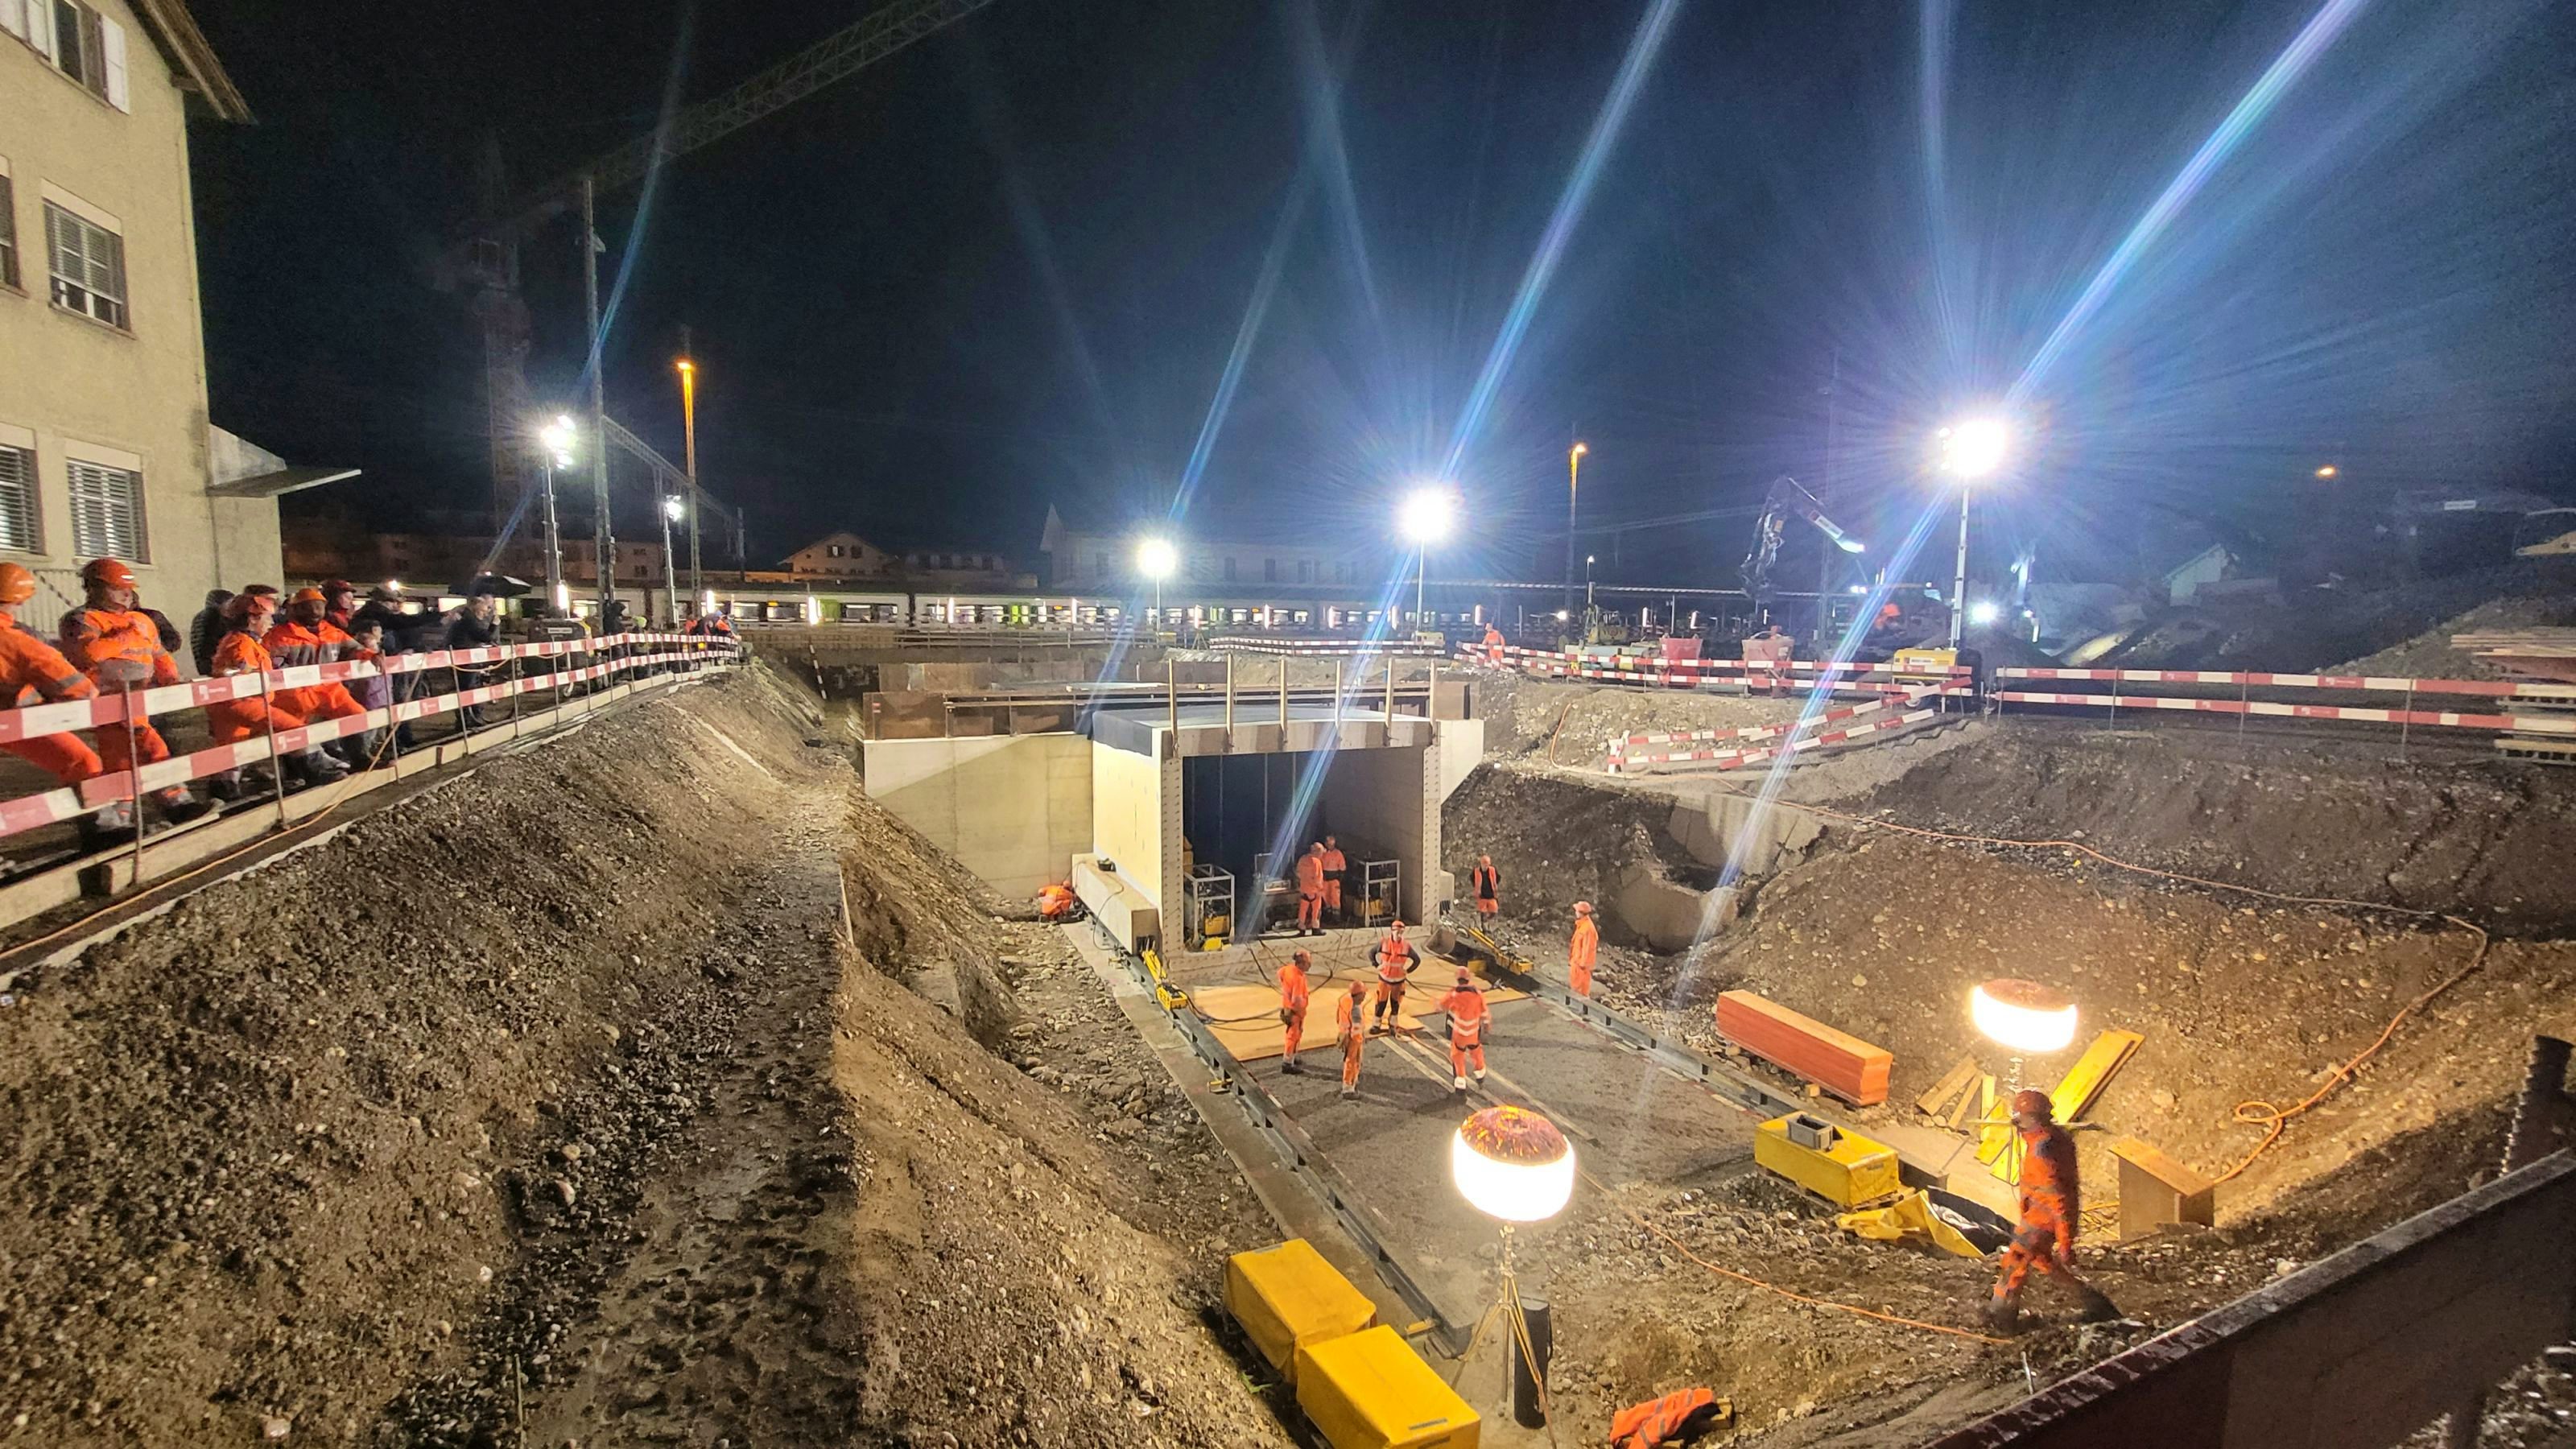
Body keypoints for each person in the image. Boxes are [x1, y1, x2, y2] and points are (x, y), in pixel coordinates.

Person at [60, 557, 208, 829]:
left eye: (127, 589)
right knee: (139, 753)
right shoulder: (82, 620)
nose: (126, 594)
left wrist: (171, 680)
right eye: (117, 588)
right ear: (93, 588)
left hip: (139, 701)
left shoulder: (141, 621)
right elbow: (88, 653)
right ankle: (165, 808)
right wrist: (124, 636)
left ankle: (131, 818)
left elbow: (159, 654)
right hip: (106, 703)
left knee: (136, 756)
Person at [1985, 1088, 2120, 1334]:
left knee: (2014, 1263)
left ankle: (2001, 1316)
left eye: (2021, 1117)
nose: (2017, 1122)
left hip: (2042, 1220)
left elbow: (2059, 1198)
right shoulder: (2052, 1140)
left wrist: (2066, 1240)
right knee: (2047, 1264)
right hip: (2038, 1215)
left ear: (2032, 1118)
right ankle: (2095, 1303)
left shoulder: (2044, 1151)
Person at [0, 562, 119, 840]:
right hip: (15, 720)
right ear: (20, 599)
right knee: (82, 762)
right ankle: (102, 833)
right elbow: (79, 690)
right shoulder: (18, 642)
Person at [205, 589, 345, 797]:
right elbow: (237, 672)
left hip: (232, 704)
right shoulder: (241, 642)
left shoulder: (243, 640)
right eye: (267, 617)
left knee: (233, 748)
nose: (271, 622)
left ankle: (224, 789)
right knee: (293, 728)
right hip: (244, 703)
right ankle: (315, 770)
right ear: (253, 618)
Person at [265, 588, 372, 766]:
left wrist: (371, 656)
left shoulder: (332, 632)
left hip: (329, 689)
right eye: (308, 607)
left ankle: (359, 758)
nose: (314, 612)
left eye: (318, 607)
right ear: (296, 609)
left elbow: (355, 648)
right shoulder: (280, 635)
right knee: (292, 731)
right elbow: (273, 665)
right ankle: (299, 770)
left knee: (356, 715)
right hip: (293, 693)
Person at [444, 589, 501, 729]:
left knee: (473, 687)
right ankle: (466, 720)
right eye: (484, 608)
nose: (487, 610)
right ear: (476, 609)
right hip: (465, 660)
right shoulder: (469, 621)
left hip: (470, 659)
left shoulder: (469, 619)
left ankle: (473, 716)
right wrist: (494, 625)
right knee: (467, 688)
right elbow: (484, 636)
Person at [1440, 968, 1490, 1092]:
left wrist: (1436, 1003)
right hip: (1473, 1033)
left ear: (1458, 979)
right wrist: (1487, 1026)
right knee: (1477, 1053)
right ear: (1469, 979)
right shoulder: (1478, 994)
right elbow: (1484, 1013)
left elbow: (1443, 1005)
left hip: (1460, 1034)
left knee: (1457, 1056)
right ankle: (1480, 1076)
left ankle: (1460, 1085)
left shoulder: (1454, 994)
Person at [1370, 919, 1418, 1034]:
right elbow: (1371, 953)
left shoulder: (1406, 946)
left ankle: (1393, 1025)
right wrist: (1377, 965)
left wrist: (1408, 970)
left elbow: (1417, 960)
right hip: (1384, 979)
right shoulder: (1384, 943)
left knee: (1395, 1004)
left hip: (1398, 981)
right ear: (1392, 931)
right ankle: (1376, 1025)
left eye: (1401, 932)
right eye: (1397, 931)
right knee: (1381, 1003)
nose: (1399, 934)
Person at [1277, 948, 1313, 1074]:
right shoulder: (1298, 978)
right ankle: (1287, 1062)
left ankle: (1291, 1056)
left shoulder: (1288, 969)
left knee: (1293, 1035)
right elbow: (1297, 1000)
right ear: (1302, 963)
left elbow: (1280, 974)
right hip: (1295, 1012)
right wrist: (1302, 1010)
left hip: (1287, 1007)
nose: (1310, 965)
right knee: (1293, 1036)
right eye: (1308, 962)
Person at [1334, 978, 1368, 1099]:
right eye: (1363, 994)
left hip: (1345, 1035)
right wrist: (1359, 1039)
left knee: (1350, 1061)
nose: (1365, 996)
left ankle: (1352, 1080)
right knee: (1352, 1061)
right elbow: (1357, 1029)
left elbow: (1338, 1017)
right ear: (1358, 995)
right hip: (1353, 1039)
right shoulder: (1356, 1011)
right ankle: (1348, 1088)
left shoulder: (1345, 1000)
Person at [188, 588, 233, 678]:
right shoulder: (212, 617)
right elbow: (210, 643)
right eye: (230, 603)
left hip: (205, 664)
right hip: (213, 664)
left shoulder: (201, 616)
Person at [1292, 841, 1327, 936]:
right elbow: (1317, 878)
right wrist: (1321, 889)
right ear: (1318, 852)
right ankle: (1315, 928)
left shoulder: (1302, 859)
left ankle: (1301, 927)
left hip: (1304, 889)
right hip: (1315, 891)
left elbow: (1298, 873)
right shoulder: (1317, 862)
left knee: (1303, 910)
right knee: (1316, 911)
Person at [1569, 900, 1600, 997]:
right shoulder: (1582, 925)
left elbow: (1588, 948)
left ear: (1581, 913)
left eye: (1577, 911)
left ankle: (1580, 1010)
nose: (1575, 912)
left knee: (1581, 991)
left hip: (1581, 967)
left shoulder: (1588, 929)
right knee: (1575, 988)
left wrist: (1583, 965)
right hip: (1576, 963)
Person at [1319, 834, 1348, 925]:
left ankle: (1336, 918)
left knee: (1335, 899)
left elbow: (1342, 868)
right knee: (1326, 898)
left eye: (1332, 844)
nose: (1330, 846)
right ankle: (1327, 917)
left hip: (1334, 879)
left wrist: (1339, 880)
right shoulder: (1322, 853)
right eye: (1328, 844)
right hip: (1324, 879)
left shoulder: (1338, 854)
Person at [1470, 854, 1501, 919]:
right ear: (1481, 864)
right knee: (1483, 912)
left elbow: (1498, 878)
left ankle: (1488, 921)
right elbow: (1472, 878)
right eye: (1484, 864)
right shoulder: (1476, 871)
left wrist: (1495, 886)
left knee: (1494, 911)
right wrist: (1476, 887)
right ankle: (1484, 925)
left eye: (1487, 865)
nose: (1486, 866)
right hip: (1482, 895)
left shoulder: (1493, 870)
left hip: (1491, 895)